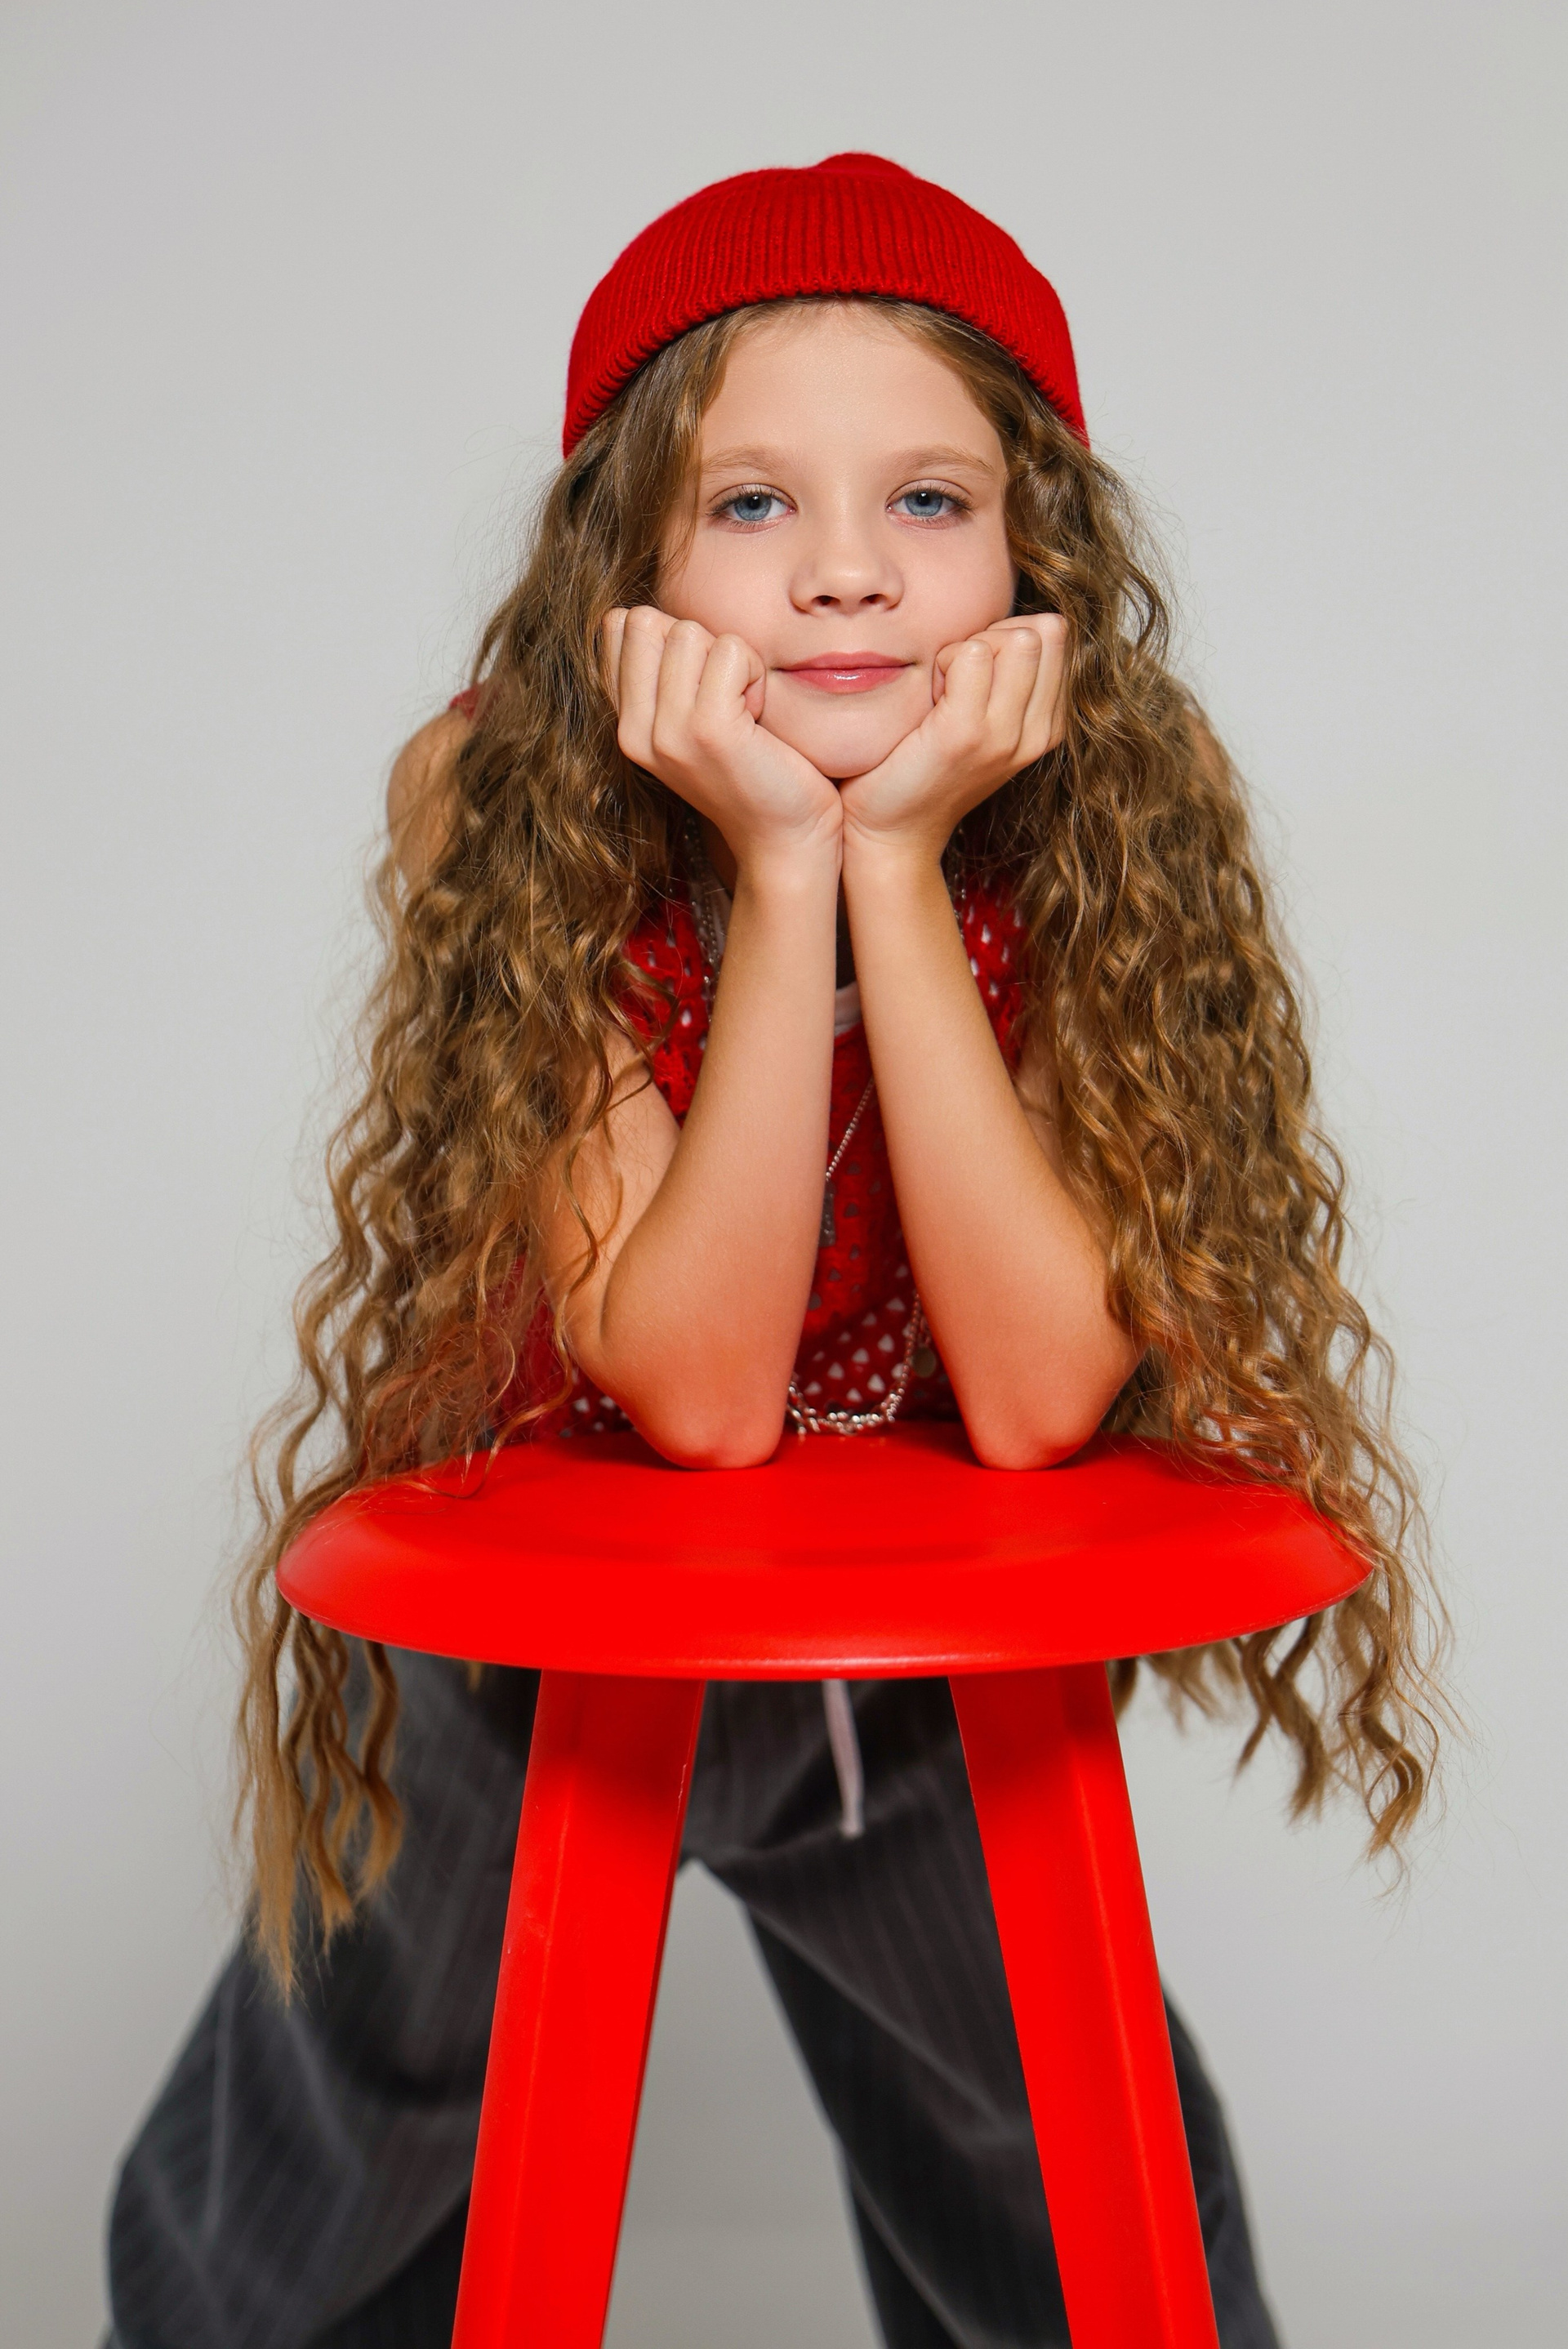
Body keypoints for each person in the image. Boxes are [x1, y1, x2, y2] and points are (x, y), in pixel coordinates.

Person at [105, 154, 1446, 2349]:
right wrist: (773, 865)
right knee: (342, 2138)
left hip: (907, 1675)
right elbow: (703, 1400)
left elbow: (1039, 1397)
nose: (845, 570)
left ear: (1033, 553)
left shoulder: (1111, 789)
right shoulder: (491, 792)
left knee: (1061, 2160)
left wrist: (897, 864)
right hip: (530, 1661)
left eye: (929, 500)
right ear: (625, 564)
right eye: (750, 505)